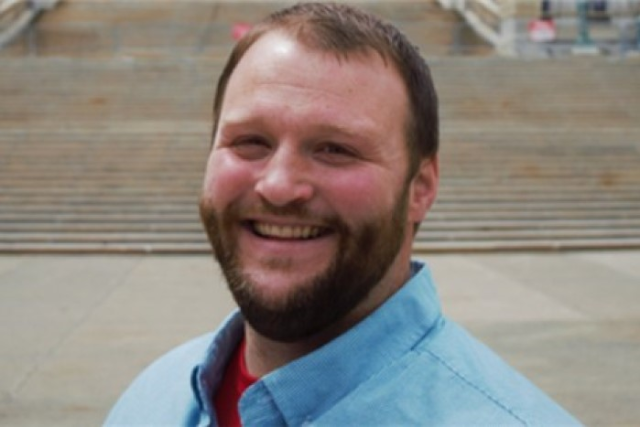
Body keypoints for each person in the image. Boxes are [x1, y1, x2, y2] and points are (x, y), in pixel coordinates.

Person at [106, 3, 581, 426]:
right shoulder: (151, 397)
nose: (278, 186)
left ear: (420, 187)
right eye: (249, 141)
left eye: (335, 149)